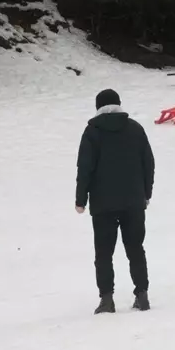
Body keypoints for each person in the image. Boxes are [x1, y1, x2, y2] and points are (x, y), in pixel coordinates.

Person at [74, 89, 155, 314]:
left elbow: (85, 168)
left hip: (103, 204)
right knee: (136, 249)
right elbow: (148, 163)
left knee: (103, 253)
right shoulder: (136, 129)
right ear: (119, 105)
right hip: (134, 202)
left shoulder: (92, 132)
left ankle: (107, 299)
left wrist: (80, 199)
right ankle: (142, 295)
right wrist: (145, 193)